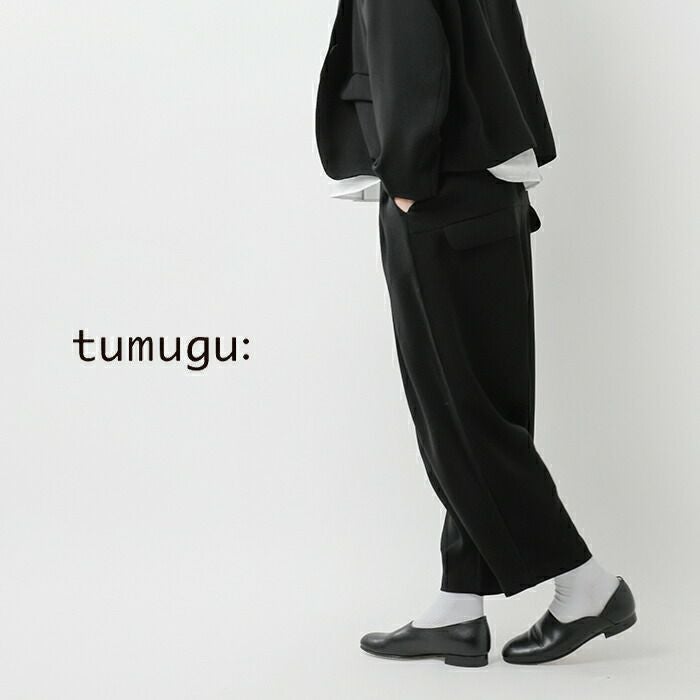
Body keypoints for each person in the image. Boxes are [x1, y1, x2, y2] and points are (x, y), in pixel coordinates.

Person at [315, 0, 636, 667]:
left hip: (438, 192)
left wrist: (407, 178)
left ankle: (587, 584)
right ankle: (460, 606)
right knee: (484, 408)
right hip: (487, 191)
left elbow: (411, 55)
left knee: (460, 416)